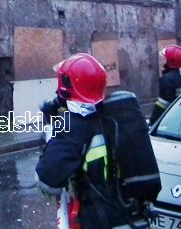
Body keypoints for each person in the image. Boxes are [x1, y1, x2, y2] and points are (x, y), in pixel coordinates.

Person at [36, 53, 134, 228]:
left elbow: (47, 182)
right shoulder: (114, 116)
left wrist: (50, 135)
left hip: (96, 219)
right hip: (126, 214)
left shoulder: (72, 128)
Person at [149, 45, 181, 124]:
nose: (162, 62)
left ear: (171, 61)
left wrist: (153, 122)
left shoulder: (168, 79)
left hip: (175, 120)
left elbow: (162, 105)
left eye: (165, 59)